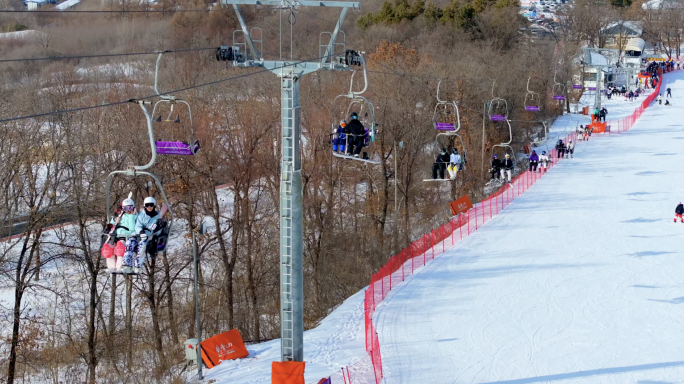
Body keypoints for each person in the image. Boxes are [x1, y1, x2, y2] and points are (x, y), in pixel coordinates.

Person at [122, 196, 166, 274]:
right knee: (129, 243)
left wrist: (156, 228)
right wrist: (141, 232)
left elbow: (160, 230)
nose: (149, 207)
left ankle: (138, 266)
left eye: (151, 205)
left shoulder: (158, 217)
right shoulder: (141, 215)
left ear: (154, 205)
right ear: (144, 206)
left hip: (149, 237)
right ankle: (127, 265)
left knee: (142, 246)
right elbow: (138, 226)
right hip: (138, 235)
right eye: (147, 205)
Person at [103, 197, 138, 274]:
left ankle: (120, 266)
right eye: (126, 208)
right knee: (108, 248)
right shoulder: (119, 215)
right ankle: (111, 267)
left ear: (133, 207)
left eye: (130, 207)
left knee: (120, 248)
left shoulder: (135, 216)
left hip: (126, 235)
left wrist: (132, 215)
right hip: (115, 235)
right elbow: (112, 224)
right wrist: (112, 224)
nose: (128, 210)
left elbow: (132, 229)